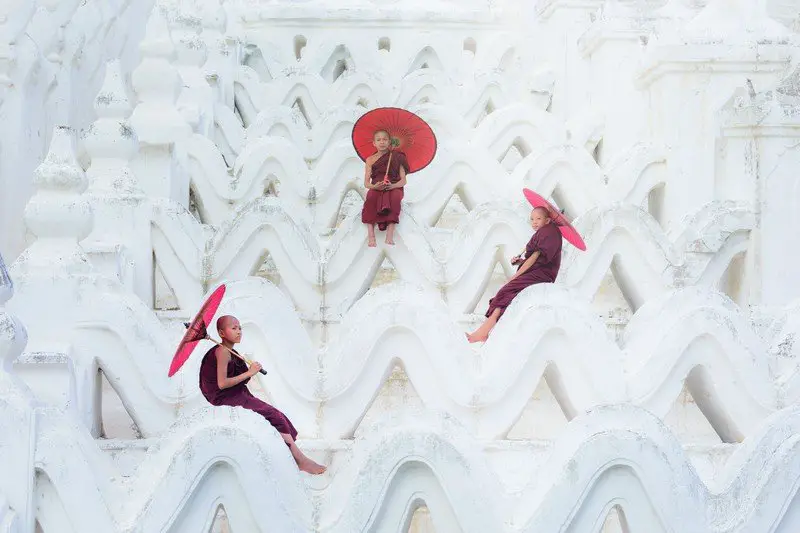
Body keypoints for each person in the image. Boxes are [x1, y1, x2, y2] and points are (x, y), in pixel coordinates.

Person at [199, 315, 326, 475]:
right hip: (225, 398)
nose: (239, 331)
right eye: (234, 328)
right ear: (221, 333)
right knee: (272, 415)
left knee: (277, 415)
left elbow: (237, 380)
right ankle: (300, 459)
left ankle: (297, 457)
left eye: (240, 328)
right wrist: (249, 373)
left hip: (237, 394)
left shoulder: (231, 351)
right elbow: (222, 384)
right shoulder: (223, 351)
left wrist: (249, 371)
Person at [467, 206, 563, 343]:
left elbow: (534, 259)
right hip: (539, 272)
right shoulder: (545, 232)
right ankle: (485, 331)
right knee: (505, 294)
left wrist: (515, 277)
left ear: (547, 220)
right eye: (532, 219)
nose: (534, 222)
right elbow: (536, 259)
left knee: (505, 291)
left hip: (541, 275)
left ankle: (482, 333)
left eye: (538, 219)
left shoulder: (548, 232)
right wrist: (520, 262)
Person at [361, 130, 409, 247]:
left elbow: (403, 180)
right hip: (377, 187)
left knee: (395, 198)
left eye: (385, 139)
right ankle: (371, 236)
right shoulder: (370, 160)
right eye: (378, 140)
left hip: (394, 186)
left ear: (389, 142)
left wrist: (392, 185)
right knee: (371, 197)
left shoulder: (397, 157)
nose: (382, 142)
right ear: (374, 143)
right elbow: (366, 183)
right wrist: (375, 186)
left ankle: (389, 235)